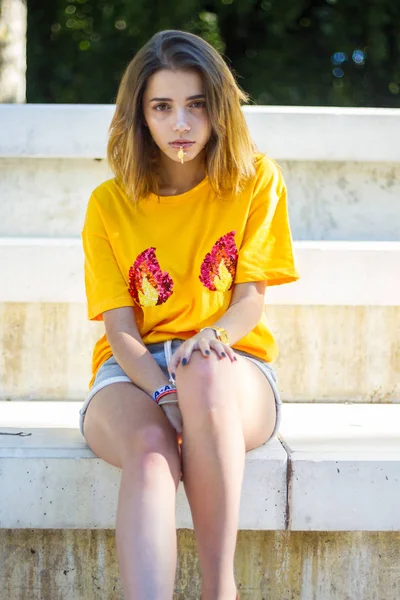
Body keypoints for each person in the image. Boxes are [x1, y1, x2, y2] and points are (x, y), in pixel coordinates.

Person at [79, 29, 299, 600]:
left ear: (219, 110)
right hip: (131, 373)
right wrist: (163, 394)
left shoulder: (254, 181)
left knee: (203, 369)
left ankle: (218, 589)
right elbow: (121, 332)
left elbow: (249, 300)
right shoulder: (109, 203)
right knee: (151, 458)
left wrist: (209, 340)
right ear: (140, 116)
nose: (181, 123)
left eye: (197, 105)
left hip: (231, 362)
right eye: (163, 107)